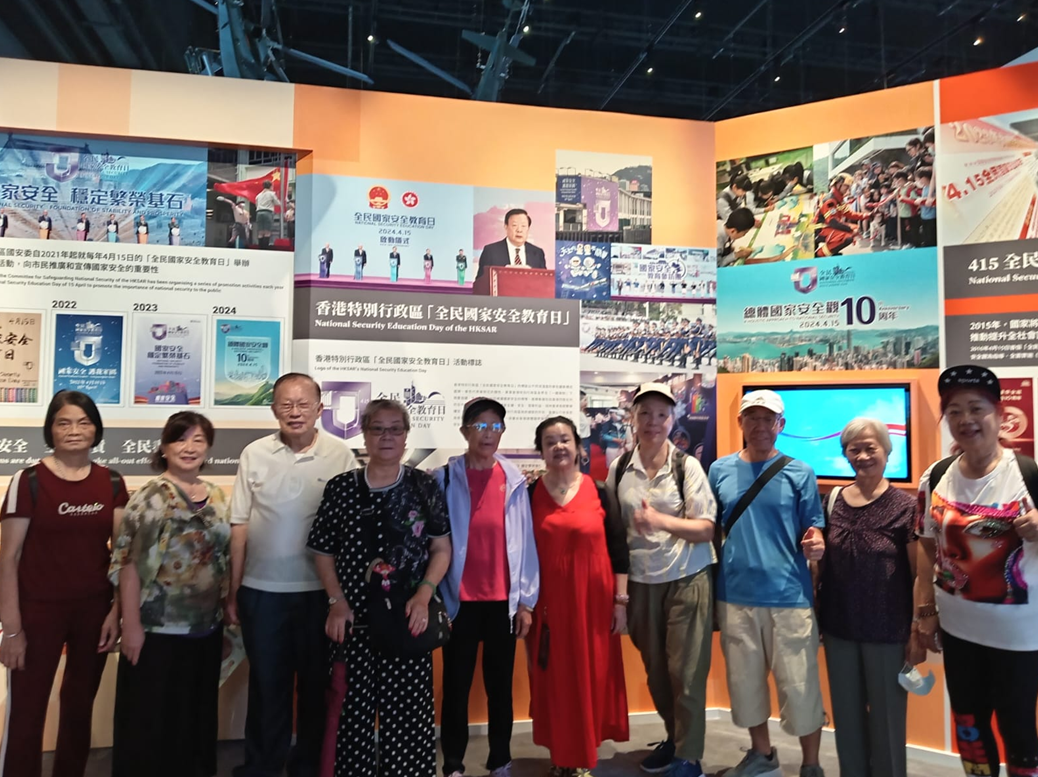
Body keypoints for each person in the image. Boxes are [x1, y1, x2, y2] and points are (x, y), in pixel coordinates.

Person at [308, 399, 451, 777]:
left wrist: (424, 594)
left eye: (395, 429)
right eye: (377, 429)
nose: (387, 437)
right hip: (353, 623)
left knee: (408, 720)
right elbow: (322, 551)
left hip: (408, 620)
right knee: (351, 719)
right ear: (364, 435)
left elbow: (441, 548)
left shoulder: (423, 486)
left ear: (406, 436)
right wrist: (336, 602)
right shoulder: (342, 488)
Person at [227, 374, 356, 777]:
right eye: (286, 404)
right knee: (267, 686)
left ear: (320, 409)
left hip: (319, 594)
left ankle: (308, 767)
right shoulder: (254, 453)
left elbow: (352, 527)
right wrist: (233, 591)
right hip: (261, 592)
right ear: (273, 409)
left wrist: (341, 597)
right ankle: (262, 766)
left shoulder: (340, 455)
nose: (295, 412)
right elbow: (239, 525)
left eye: (303, 404)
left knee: (315, 688)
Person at [915, 365, 1038, 777]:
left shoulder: (1029, 475)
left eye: (976, 408)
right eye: (954, 411)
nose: (965, 419)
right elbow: (926, 545)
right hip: (959, 631)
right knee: (969, 728)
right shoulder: (936, 477)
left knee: (1020, 732)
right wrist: (925, 612)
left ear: (999, 415)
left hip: (1020, 638)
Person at [0, 391, 127, 777]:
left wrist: (116, 612)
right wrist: (12, 629)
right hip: (37, 612)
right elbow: (8, 558)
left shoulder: (112, 482)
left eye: (84, 422)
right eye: (64, 422)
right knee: (27, 709)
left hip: (94, 612)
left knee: (78, 706)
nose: (74, 430)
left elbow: (122, 556)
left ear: (96, 430)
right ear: (50, 430)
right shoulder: (28, 481)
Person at [708, 389, 826, 777]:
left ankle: (811, 764)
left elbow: (813, 525)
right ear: (740, 423)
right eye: (752, 418)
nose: (759, 426)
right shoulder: (719, 470)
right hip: (735, 595)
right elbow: (710, 527)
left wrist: (816, 542)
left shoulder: (800, 472)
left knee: (801, 686)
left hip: (789, 595)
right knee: (745, 684)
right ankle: (762, 754)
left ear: (781, 425)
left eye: (767, 419)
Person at [108, 411, 230, 777]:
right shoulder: (151, 496)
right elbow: (128, 564)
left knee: (194, 716)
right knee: (150, 721)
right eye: (180, 439)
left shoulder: (217, 495)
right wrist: (131, 625)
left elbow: (223, 556)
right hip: (156, 629)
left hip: (206, 628)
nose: (189, 447)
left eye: (198, 440)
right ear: (164, 447)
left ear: (208, 447)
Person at [605, 384, 716, 777]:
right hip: (641, 582)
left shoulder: (687, 467)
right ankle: (674, 738)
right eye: (645, 413)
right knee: (656, 672)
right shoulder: (619, 469)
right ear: (632, 419)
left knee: (686, 673)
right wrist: (618, 594)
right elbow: (613, 532)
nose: (653, 422)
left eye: (662, 414)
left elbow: (706, 528)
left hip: (687, 578)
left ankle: (689, 757)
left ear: (672, 419)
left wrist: (659, 520)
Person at [437, 397, 540, 777]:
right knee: (456, 688)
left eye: (495, 426)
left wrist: (526, 602)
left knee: (500, 689)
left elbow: (525, 543)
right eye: (480, 425)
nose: (488, 433)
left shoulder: (514, 480)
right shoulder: (445, 478)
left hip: (502, 603)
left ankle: (500, 760)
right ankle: (453, 764)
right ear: (465, 431)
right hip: (458, 602)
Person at [817, 418, 922, 777]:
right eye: (854, 449)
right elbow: (823, 564)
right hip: (839, 628)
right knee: (847, 722)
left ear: (887, 451)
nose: (862, 456)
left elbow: (918, 574)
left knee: (888, 724)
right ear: (845, 454)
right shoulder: (832, 502)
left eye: (870, 448)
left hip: (888, 631)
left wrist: (916, 628)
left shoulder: (905, 506)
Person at [528, 416, 629, 777]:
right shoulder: (530, 494)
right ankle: (561, 756)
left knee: (590, 678)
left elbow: (619, 549)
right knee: (555, 681)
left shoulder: (599, 490)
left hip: (594, 603)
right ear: (541, 451)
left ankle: (583, 757)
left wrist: (620, 602)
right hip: (549, 605)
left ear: (579, 447)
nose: (559, 447)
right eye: (550, 441)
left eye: (565, 439)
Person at [475, 208, 547, 279]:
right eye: (514, 225)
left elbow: (544, 281)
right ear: (506, 227)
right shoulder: (491, 251)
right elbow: (481, 282)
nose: (519, 230)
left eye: (523, 226)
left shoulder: (537, 253)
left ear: (528, 228)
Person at [815, 173, 866, 257]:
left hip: (828, 227)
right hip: (820, 230)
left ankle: (831, 251)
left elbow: (849, 214)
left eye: (849, 187)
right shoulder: (830, 201)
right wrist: (850, 229)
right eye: (846, 186)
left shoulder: (839, 200)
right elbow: (833, 222)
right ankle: (819, 255)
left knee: (855, 228)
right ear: (838, 184)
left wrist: (867, 215)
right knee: (847, 237)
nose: (848, 189)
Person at [255, 179, 281, 249]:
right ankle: (265, 248)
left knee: (260, 232)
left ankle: (260, 248)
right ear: (270, 186)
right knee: (267, 232)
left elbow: (256, 205)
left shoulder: (258, 195)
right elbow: (277, 203)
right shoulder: (271, 194)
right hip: (267, 212)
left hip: (259, 213)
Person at [914, 167, 937, 248]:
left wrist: (923, 199)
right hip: (924, 215)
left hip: (931, 216)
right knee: (926, 236)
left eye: (919, 179)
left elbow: (935, 198)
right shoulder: (924, 187)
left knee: (931, 238)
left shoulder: (933, 187)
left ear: (924, 178)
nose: (919, 181)